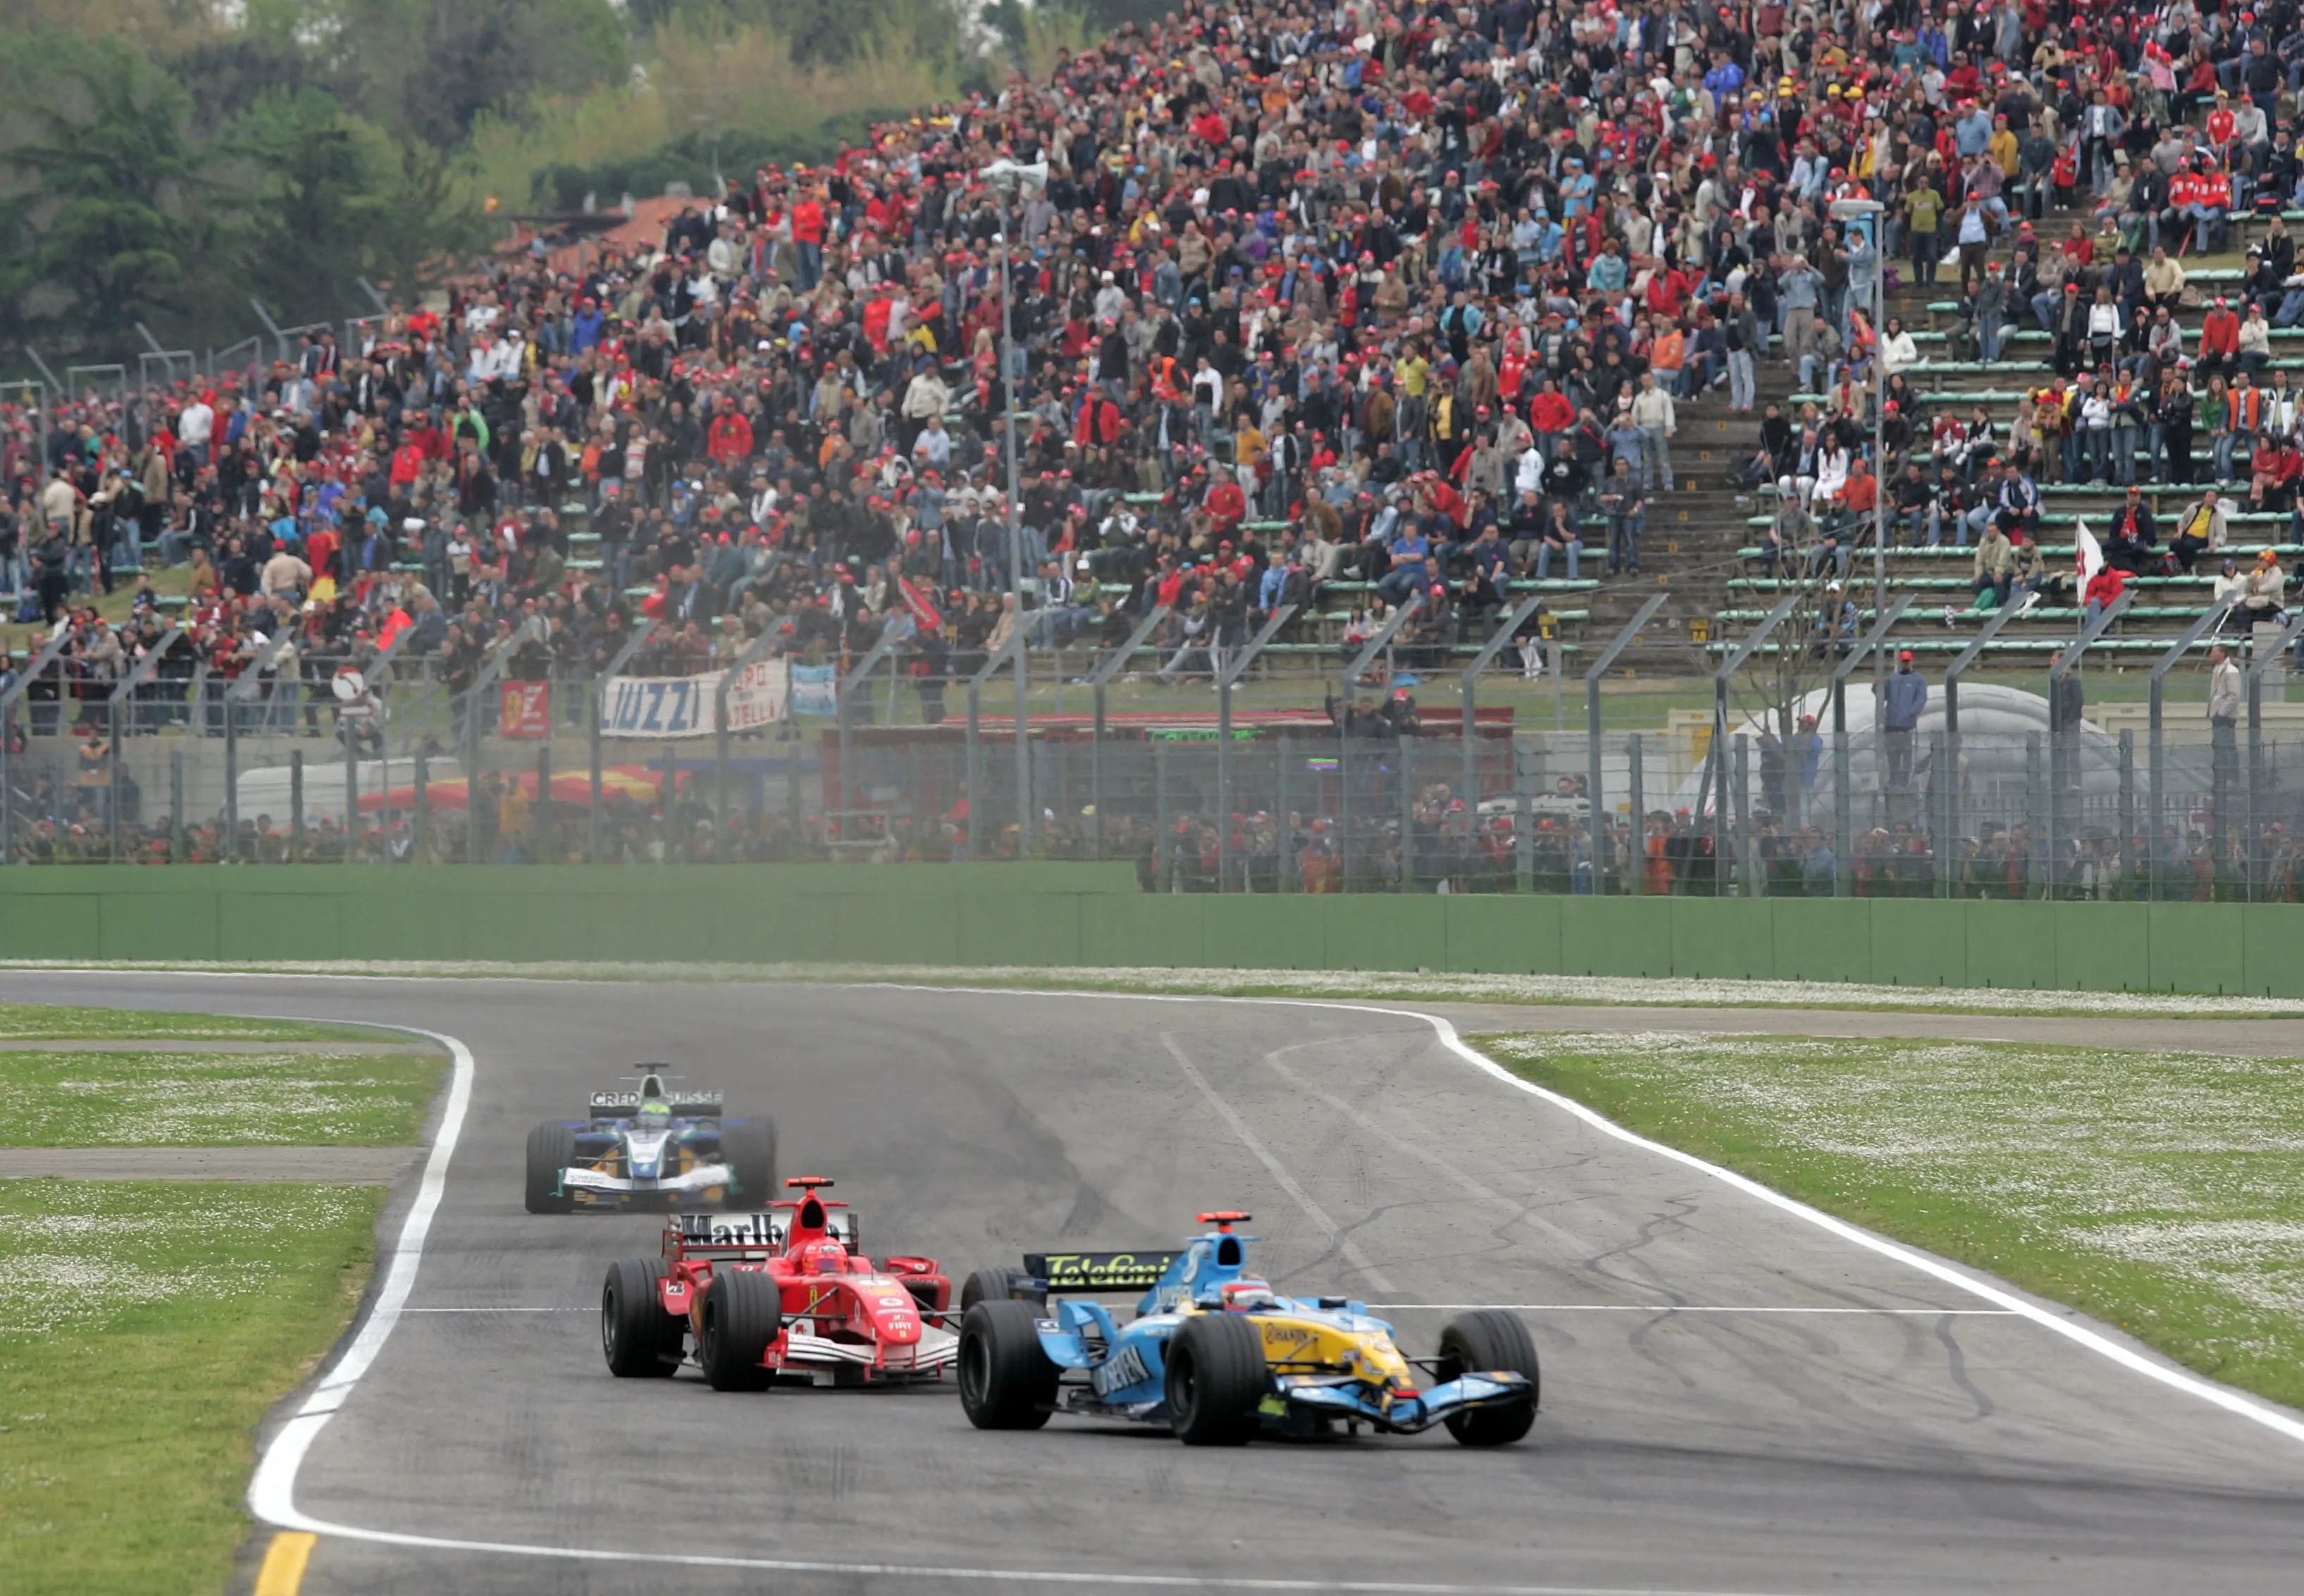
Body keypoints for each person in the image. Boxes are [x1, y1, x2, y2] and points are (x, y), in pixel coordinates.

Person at [1879, 650, 1927, 793]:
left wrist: (1910, 714)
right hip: (1891, 725)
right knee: (1892, 757)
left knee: (1906, 757)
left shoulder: (1918, 679)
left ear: (1912, 662)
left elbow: (1921, 699)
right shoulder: (1892, 678)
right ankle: (1894, 781)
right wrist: (1876, 686)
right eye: (1903, 661)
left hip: (1906, 727)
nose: (1905, 664)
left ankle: (1905, 782)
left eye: (1908, 661)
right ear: (1900, 662)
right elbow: (1883, 695)